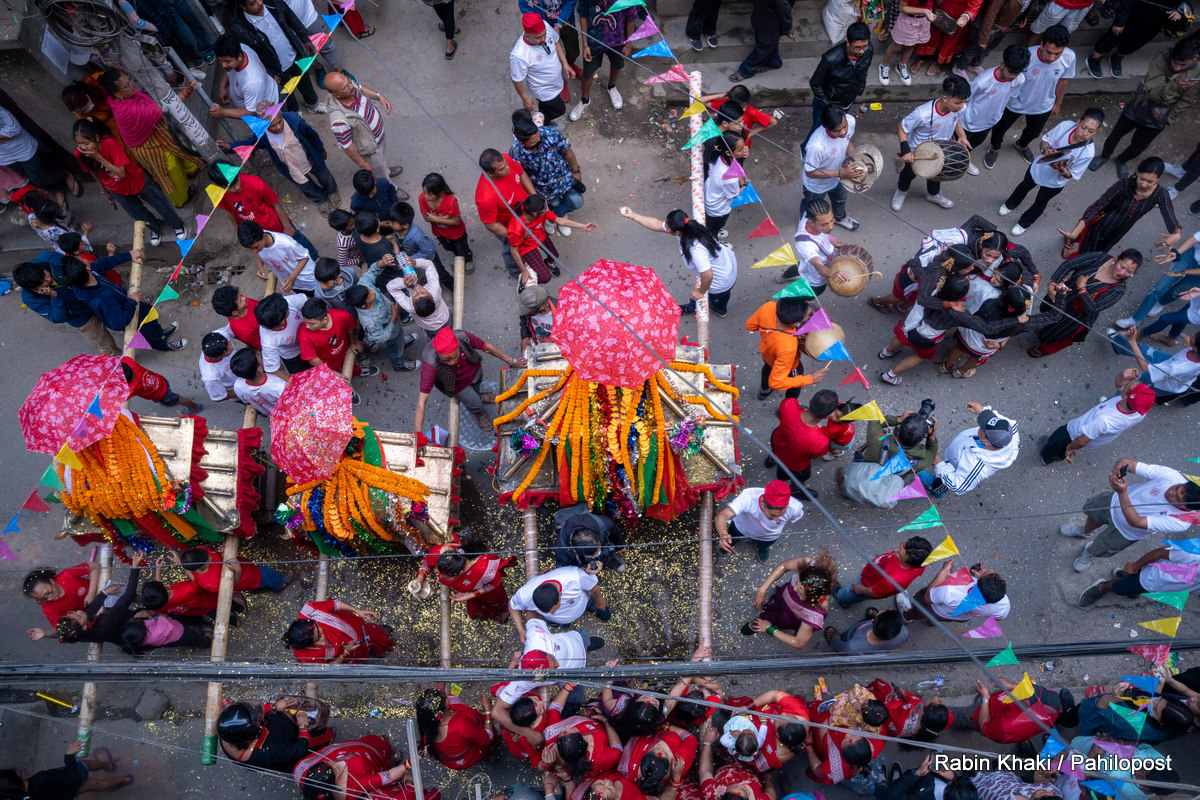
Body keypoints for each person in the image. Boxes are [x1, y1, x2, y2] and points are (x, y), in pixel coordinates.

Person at [1061, 457, 1200, 573]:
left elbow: (1137, 522)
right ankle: (1084, 531)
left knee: (1100, 548)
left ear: (1187, 507)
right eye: (1176, 488)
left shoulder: (1182, 522)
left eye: (1177, 498)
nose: (1171, 493)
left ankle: (1089, 552)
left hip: (1126, 532)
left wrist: (1122, 492)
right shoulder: (1173, 476)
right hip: (1112, 502)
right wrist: (1119, 469)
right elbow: (1130, 464)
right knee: (1093, 516)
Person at [1088, 40, 1200, 179]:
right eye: (1175, 63)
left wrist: (1170, 119)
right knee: (1116, 135)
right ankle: (1104, 156)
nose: (1177, 68)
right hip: (1139, 106)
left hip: (1159, 117)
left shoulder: (1196, 71)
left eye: (1182, 65)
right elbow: (1152, 91)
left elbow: (1186, 100)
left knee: (1138, 146)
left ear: (1194, 58)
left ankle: (1121, 160)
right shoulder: (1161, 59)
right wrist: (1173, 87)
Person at [98, 69, 205, 207]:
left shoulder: (127, 94)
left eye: (129, 80)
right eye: (127, 85)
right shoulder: (126, 110)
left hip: (155, 129)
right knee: (169, 168)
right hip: (146, 144)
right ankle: (181, 198)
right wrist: (186, 91)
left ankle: (191, 169)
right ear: (117, 94)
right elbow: (162, 111)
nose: (132, 84)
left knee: (178, 145)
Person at [72, 119, 188, 244]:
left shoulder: (110, 144)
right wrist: (104, 191)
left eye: (86, 143)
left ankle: (177, 225)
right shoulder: (79, 154)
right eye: (79, 144)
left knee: (159, 203)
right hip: (117, 190)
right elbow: (93, 171)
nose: (83, 147)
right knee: (138, 214)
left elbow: (121, 173)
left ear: (96, 137)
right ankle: (155, 228)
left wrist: (98, 158)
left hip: (136, 180)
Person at [981, 25, 1075, 171]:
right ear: (1042, 44)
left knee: (1034, 132)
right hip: (1014, 103)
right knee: (1001, 127)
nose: (1052, 58)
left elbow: (1063, 80)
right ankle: (995, 148)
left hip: (1043, 106)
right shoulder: (1026, 57)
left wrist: (1058, 102)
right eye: (1048, 52)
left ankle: (1022, 144)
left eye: (1057, 54)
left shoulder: (1070, 58)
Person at [618, 206, 737, 316]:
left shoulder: (695, 250)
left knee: (697, 296)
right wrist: (633, 215)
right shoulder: (690, 227)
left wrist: (700, 291)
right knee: (724, 294)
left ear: (677, 232)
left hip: (720, 281)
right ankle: (721, 308)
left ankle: (691, 308)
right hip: (729, 268)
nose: (665, 227)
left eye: (668, 227)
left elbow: (708, 274)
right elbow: (658, 224)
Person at [1027, 248, 1139, 357]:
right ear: (1118, 258)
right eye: (1122, 266)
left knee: (1056, 333)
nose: (1123, 273)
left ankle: (1041, 349)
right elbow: (1069, 264)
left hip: (1074, 316)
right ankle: (1042, 328)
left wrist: (1082, 288)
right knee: (1047, 314)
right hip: (1060, 296)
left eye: (1129, 272)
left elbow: (1093, 308)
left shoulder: (1118, 289)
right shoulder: (1101, 258)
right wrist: (1052, 284)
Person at [61, 256, 188, 351]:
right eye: (83, 260)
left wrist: (129, 254)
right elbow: (119, 322)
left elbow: (104, 263)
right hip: (130, 316)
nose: (86, 260)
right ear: (86, 267)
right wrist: (131, 301)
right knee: (148, 331)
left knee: (151, 319)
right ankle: (163, 345)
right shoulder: (101, 299)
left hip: (130, 303)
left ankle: (162, 334)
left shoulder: (87, 275)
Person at [1062, 158, 1181, 256]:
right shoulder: (1123, 185)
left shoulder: (1161, 194)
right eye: (1142, 179)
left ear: (1158, 179)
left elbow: (1169, 215)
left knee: (1100, 253)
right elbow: (1098, 205)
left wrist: (1176, 234)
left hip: (1120, 230)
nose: (1144, 184)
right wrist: (1075, 232)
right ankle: (1072, 248)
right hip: (1101, 223)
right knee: (1086, 249)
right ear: (1137, 173)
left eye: (1150, 182)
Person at [224, 113, 340, 214]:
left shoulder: (294, 121)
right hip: (290, 167)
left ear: (282, 117)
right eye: (272, 125)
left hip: (309, 158)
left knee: (324, 175)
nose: (278, 127)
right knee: (304, 185)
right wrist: (231, 147)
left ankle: (331, 191)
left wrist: (320, 149)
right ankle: (320, 198)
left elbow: (312, 135)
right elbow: (250, 144)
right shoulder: (262, 134)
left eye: (280, 122)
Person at [415, 327, 525, 432]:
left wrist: (512, 361)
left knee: (477, 387)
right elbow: (421, 402)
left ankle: (478, 395)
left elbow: (487, 347)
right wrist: (418, 436)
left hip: (474, 371)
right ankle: (479, 413)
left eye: (454, 357)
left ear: (458, 346)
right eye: (446, 361)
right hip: (456, 386)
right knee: (475, 403)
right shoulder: (430, 362)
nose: (452, 363)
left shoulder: (463, 336)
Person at [892, 75, 972, 212]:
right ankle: (901, 191)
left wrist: (962, 136)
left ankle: (933, 194)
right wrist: (905, 150)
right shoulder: (922, 114)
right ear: (945, 98)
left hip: (941, 150)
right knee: (908, 174)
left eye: (964, 102)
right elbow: (902, 126)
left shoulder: (958, 109)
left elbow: (956, 120)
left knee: (937, 175)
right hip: (918, 152)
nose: (961, 106)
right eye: (958, 102)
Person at [12, 256, 121, 355]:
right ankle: (123, 365)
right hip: (82, 319)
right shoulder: (30, 299)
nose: (49, 280)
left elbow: (83, 268)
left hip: (96, 298)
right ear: (34, 289)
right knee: (106, 345)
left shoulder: (50, 259)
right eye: (43, 283)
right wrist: (54, 297)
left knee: (125, 318)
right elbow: (58, 318)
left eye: (45, 275)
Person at [1040, 370, 1154, 464]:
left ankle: (1047, 458)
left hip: (1074, 433)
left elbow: (1082, 441)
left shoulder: (1105, 420)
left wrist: (1070, 448)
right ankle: (1060, 456)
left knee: (1056, 442)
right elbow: (1120, 385)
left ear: (1126, 397)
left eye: (1137, 385)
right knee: (1063, 449)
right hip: (1093, 437)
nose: (1136, 382)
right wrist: (1123, 374)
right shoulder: (1139, 412)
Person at [230, 0, 324, 115]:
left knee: (304, 80)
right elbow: (250, 56)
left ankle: (313, 105)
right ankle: (297, 115)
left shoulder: (273, 2)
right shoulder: (239, 29)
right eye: (252, 3)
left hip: (294, 55)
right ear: (242, 6)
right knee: (286, 94)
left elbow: (292, 19)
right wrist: (269, 74)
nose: (260, 3)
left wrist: (305, 38)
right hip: (276, 69)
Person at [213, 168, 319, 259]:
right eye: (230, 187)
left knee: (297, 240)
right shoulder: (217, 192)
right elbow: (229, 211)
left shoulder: (255, 182)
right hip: (256, 234)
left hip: (276, 225)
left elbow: (275, 204)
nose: (236, 187)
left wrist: (287, 226)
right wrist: (239, 232)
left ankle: (315, 258)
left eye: (236, 182)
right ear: (220, 186)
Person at [838, 412, 941, 504]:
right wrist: (931, 436)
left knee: (848, 481)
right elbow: (931, 454)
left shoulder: (877, 438)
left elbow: (875, 420)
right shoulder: (918, 462)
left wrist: (898, 419)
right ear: (922, 439)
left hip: (863, 468)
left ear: (900, 428)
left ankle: (846, 491)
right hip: (886, 481)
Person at [958, 45, 1030, 176]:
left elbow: (1008, 96)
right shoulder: (984, 81)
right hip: (969, 122)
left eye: (1017, 73)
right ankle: (947, 163)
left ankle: (963, 161)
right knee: (957, 145)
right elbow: (966, 97)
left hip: (989, 122)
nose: (1013, 76)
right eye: (1011, 72)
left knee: (973, 145)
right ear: (1002, 64)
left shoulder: (1019, 80)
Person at [743, 549, 837, 649]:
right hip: (782, 599)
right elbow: (784, 566)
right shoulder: (808, 566)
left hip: (791, 616)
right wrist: (762, 590)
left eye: (800, 593)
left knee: (776, 622)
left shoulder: (816, 611)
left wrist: (769, 629)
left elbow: (798, 643)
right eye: (797, 582)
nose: (794, 588)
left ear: (813, 598)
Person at [294, 736, 440, 800]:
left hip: (364, 750)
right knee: (386, 764)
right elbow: (387, 776)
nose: (333, 763)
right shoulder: (352, 787)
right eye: (335, 770)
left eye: (329, 764)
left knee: (376, 743)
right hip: (373, 764)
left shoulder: (315, 782)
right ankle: (392, 760)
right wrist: (412, 761)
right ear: (333, 784)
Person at [1115, 229, 1200, 334]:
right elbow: (1194, 239)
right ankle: (1136, 319)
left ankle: (1161, 303)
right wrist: (1176, 252)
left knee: (1176, 292)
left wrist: (1184, 272)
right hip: (1191, 255)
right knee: (1159, 288)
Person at [927, 402, 1019, 497]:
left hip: (953, 467)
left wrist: (940, 465)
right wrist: (983, 411)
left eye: (982, 428)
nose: (980, 425)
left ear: (986, 441)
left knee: (941, 483)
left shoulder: (977, 466)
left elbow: (959, 486)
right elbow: (1002, 421)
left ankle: (937, 490)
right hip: (956, 452)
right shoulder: (1008, 430)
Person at [745, 296, 829, 400]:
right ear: (795, 323)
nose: (809, 316)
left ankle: (764, 392)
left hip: (766, 353)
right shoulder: (788, 347)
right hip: (789, 364)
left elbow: (750, 326)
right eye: (807, 316)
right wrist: (809, 379)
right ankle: (787, 407)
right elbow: (776, 382)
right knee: (796, 380)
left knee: (768, 368)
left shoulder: (769, 307)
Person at [324, 72, 402, 183]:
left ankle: (384, 170)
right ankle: (390, 187)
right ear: (336, 95)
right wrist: (362, 164)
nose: (351, 86)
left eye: (349, 81)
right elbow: (346, 145)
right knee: (379, 176)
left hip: (379, 139)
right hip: (370, 152)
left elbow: (359, 87)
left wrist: (378, 96)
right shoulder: (339, 121)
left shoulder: (350, 88)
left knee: (381, 164)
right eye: (346, 87)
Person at [217, 698, 334, 771]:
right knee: (315, 745)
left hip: (278, 731)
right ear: (255, 732)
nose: (260, 714)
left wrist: (273, 707)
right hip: (289, 743)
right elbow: (300, 749)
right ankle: (328, 741)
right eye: (258, 720)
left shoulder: (228, 732)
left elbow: (253, 714)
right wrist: (303, 727)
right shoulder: (266, 753)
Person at [568, 0, 639, 121]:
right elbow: (583, 17)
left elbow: (631, 19)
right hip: (593, 42)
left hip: (618, 41)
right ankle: (585, 100)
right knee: (588, 72)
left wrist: (628, 44)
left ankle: (611, 86)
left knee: (617, 65)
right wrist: (585, 45)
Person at [510, 115, 584, 230]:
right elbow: (521, 174)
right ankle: (554, 218)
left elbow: (567, 151)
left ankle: (554, 218)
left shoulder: (549, 134)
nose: (539, 140)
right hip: (543, 190)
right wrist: (534, 195)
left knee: (577, 201)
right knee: (553, 204)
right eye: (534, 141)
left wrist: (576, 171)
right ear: (523, 143)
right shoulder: (516, 153)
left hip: (564, 178)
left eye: (538, 135)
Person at [806, 24, 873, 151]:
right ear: (848, 42)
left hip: (847, 101)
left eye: (865, 46)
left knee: (838, 129)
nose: (862, 51)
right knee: (818, 130)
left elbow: (864, 70)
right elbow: (815, 83)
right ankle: (806, 151)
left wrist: (860, 87)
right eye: (857, 47)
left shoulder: (869, 50)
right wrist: (828, 106)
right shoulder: (830, 58)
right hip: (828, 104)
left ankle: (831, 152)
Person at [1086, 2, 1195, 79]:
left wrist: (1179, 10)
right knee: (1114, 37)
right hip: (1135, 15)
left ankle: (1117, 57)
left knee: (1135, 43)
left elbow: (1186, 3)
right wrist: (1120, 21)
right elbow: (1127, 2)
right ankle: (1095, 58)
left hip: (1156, 23)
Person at [509, 195, 597, 288]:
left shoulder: (540, 211)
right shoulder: (516, 228)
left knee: (554, 255)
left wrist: (584, 226)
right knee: (545, 277)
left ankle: (549, 263)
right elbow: (514, 250)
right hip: (527, 248)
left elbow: (559, 220)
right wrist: (524, 270)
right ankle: (527, 283)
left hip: (540, 237)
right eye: (545, 208)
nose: (547, 209)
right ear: (535, 214)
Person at [1078, 541, 1200, 606]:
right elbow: (1161, 553)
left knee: (1131, 582)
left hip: (1161, 586)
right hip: (1149, 579)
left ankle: (1127, 579)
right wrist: (1134, 566)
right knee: (1120, 587)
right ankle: (1102, 588)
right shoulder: (1194, 554)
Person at [0, 105, 79, 205]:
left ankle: (64, 175)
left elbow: (14, 128)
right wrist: (5, 137)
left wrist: (6, 137)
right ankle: (56, 189)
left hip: (22, 148)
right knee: (30, 175)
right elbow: (9, 134)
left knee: (37, 179)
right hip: (4, 156)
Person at [476, 148, 535, 278]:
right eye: (502, 169)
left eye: (505, 164)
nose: (507, 168)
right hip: (509, 226)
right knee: (511, 249)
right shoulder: (486, 197)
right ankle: (517, 272)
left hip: (524, 215)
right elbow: (490, 224)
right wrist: (514, 234)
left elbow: (521, 173)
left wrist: (534, 196)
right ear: (490, 173)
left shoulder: (504, 159)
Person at [0, 741, 132, 798]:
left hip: (68, 794)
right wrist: (69, 756)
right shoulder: (41, 780)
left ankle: (125, 780)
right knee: (86, 767)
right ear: (16, 776)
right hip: (71, 781)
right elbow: (73, 778)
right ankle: (107, 764)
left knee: (92, 785)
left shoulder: (19, 797)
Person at [802, 106, 862, 230]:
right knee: (814, 207)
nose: (844, 132)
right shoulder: (816, 146)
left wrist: (854, 158)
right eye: (838, 131)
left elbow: (847, 141)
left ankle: (839, 217)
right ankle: (807, 223)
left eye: (844, 126)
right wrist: (842, 173)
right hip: (816, 186)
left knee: (841, 198)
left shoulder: (849, 121)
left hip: (839, 177)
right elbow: (810, 172)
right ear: (826, 128)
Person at [714, 480, 805, 562]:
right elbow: (722, 515)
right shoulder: (749, 497)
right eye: (772, 515)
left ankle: (763, 548)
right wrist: (723, 534)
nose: (776, 520)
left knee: (765, 545)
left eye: (781, 516)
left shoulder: (795, 508)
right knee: (732, 537)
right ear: (762, 502)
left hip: (769, 536)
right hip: (741, 527)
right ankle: (729, 543)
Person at [509, 564, 609, 638]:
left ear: (560, 595)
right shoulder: (525, 595)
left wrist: (600, 602)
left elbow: (593, 588)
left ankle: (594, 608)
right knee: (560, 623)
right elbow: (513, 606)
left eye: (554, 610)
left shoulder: (575, 577)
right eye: (548, 612)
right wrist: (521, 630)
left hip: (584, 601)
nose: (552, 613)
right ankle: (565, 623)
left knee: (595, 605)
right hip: (559, 620)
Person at [284, 598, 394, 664]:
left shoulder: (309, 612)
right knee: (364, 650)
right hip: (350, 653)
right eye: (318, 634)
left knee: (370, 631)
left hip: (354, 626)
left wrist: (357, 610)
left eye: (316, 625)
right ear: (309, 644)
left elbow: (334, 604)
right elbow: (328, 668)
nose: (321, 629)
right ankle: (374, 650)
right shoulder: (306, 658)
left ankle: (379, 638)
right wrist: (345, 653)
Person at [1108, 327, 1200, 404]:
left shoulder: (1177, 367)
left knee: (1130, 389)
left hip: (1161, 383)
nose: (1193, 334)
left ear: (1196, 348)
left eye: (1195, 335)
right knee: (1144, 350)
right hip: (1170, 365)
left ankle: (1111, 403)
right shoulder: (1194, 354)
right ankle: (1118, 344)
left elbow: (1144, 367)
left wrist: (1132, 341)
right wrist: (1191, 347)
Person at [898, 558, 1011, 621]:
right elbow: (998, 618)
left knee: (920, 607)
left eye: (986, 573)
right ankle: (933, 622)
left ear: (976, 586)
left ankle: (907, 615)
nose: (989, 569)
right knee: (939, 619)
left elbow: (928, 597)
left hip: (936, 608)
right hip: (958, 616)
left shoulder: (949, 591)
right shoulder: (1003, 605)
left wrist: (944, 571)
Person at [835, 537, 932, 607]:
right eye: (901, 545)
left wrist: (860, 589)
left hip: (867, 583)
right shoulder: (921, 563)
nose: (895, 550)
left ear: (910, 563)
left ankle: (841, 598)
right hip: (873, 574)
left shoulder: (893, 580)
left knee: (850, 593)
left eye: (900, 554)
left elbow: (875, 592)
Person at [511, 13, 573, 124]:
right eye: (538, 38)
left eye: (544, 35)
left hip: (556, 81)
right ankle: (542, 122)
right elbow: (516, 79)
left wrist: (565, 64)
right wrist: (525, 99)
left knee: (545, 108)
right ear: (527, 35)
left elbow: (555, 42)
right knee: (559, 109)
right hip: (543, 90)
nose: (543, 39)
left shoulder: (545, 26)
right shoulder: (519, 54)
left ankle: (543, 121)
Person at [345, 283, 420, 373]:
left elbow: (371, 275)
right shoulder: (371, 323)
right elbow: (382, 337)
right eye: (369, 295)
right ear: (363, 306)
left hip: (396, 329)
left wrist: (378, 268)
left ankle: (401, 343)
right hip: (391, 334)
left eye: (369, 290)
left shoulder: (367, 291)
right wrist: (395, 315)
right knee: (395, 349)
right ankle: (399, 365)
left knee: (398, 339)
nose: (373, 291)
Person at [415, 688, 495, 770]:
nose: (448, 697)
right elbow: (487, 738)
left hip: (447, 757)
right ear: (441, 711)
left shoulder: (423, 715)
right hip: (468, 756)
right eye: (445, 697)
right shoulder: (460, 724)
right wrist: (487, 709)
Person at [429, 547, 517, 620]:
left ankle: (504, 613)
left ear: (461, 572)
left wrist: (471, 595)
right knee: (475, 607)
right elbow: (427, 561)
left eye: (446, 577)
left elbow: (494, 583)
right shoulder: (444, 553)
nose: (440, 577)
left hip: (489, 593)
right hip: (469, 590)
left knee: (497, 605)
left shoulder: (482, 569)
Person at [211, 33, 279, 120]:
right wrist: (222, 86)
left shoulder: (252, 82)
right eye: (220, 61)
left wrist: (223, 112)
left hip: (268, 113)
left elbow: (252, 111)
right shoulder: (241, 48)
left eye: (227, 61)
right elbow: (229, 70)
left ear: (239, 57)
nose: (223, 65)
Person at [239, 221, 318, 295]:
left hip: (308, 281)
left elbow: (305, 256)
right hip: (294, 284)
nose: (254, 251)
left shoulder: (286, 244)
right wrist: (260, 264)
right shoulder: (258, 240)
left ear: (263, 236)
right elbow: (259, 253)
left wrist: (293, 276)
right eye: (251, 249)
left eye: (256, 247)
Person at [779, 198, 840, 292]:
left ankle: (783, 276)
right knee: (810, 293)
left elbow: (823, 236)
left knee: (802, 264)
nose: (831, 227)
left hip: (810, 261)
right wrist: (832, 273)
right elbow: (819, 267)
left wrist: (833, 242)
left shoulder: (808, 216)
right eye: (825, 224)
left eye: (832, 220)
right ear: (811, 222)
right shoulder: (804, 244)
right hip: (814, 279)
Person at [22, 563, 99, 635]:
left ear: (52, 582)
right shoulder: (48, 610)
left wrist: (91, 593)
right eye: (43, 599)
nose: (49, 598)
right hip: (94, 616)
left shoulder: (67, 575)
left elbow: (94, 566)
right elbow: (61, 630)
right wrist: (46, 633)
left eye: (48, 593)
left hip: (100, 590)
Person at [385, 254, 451, 338]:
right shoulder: (435, 289)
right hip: (445, 316)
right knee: (451, 329)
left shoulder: (409, 306)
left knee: (435, 340)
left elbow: (390, 287)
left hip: (429, 327)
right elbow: (429, 265)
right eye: (423, 293)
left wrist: (404, 283)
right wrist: (416, 262)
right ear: (431, 296)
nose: (417, 289)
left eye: (415, 296)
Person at [419, 173, 473, 273]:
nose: (426, 197)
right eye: (424, 192)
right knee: (449, 248)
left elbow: (456, 221)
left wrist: (436, 219)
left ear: (440, 192)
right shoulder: (422, 198)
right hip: (439, 233)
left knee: (462, 249)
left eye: (430, 194)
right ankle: (458, 256)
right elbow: (426, 218)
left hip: (457, 234)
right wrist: (445, 217)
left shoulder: (450, 202)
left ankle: (468, 259)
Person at [728, 0, 794, 82]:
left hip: (771, 23)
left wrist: (788, 27)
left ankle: (746, 70)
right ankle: (774, 62)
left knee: (764, 47)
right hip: (763, 16)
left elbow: (784, 8)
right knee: (768, 44)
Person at [877, 0, 934, 87]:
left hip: (923, 21)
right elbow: (902, 7)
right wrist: (924, 11)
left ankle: (901, 65)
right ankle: (884, 65)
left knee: (912, 45)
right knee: (897, 46)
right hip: (908, 20)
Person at [121, 357, 204, 413]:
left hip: (162, 395)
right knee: (173, 396)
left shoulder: (130, 389)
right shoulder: (128, 361)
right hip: (160, 379)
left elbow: (119, 398)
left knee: (178, 399)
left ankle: (195, 407)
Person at [825, 608, 909, 653]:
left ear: (872, 621)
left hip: (849, 638)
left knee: (841, 640)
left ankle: (836, 637)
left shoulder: (852, 647)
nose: (889, 609)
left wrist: (834, 640)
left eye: (885, 611)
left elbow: (842, 647)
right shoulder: (904, 632)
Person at [231, 348, 289, 414]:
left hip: (271, 413)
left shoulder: (238, 386)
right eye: (258, 356)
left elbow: (246, 401)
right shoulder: (279, 386)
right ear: (259, 369)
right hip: (285, 411)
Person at [199, 332, 237, 402]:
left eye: (227, 342)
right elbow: (220, 397)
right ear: (215, 358)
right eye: (226, 351)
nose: (231, 347)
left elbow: (232, 330)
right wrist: (243, 389)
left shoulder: (217, 336)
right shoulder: (211, 377)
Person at [518, 284, 556, 353]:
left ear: (541, 308)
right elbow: (523, 319)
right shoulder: (528, 310)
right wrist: (525, 336)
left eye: (527, 310)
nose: (525, 312)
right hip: (538, 344)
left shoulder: (562, 313)